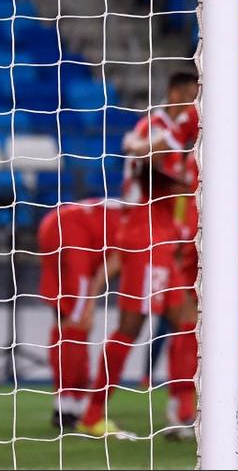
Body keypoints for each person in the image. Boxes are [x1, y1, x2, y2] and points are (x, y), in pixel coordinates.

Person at [76, 71, 199, 439]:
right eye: (189, 96)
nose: (191, 106)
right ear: (174, 91)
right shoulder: (156, 126)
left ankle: (182, 410)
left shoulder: (180, 134)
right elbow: (141, 159)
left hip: (161, 239)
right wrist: (187, 179)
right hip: (144, 236)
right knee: (131, 327)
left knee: (188, 320)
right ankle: (93, 413)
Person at [37, 197, 125, 429]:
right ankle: (69, 407)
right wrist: (90, 302)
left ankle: (67, 405)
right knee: (76, 324)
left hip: (55, 223)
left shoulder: (130, 210)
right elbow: (114, 261)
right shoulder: (146, 223)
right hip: (73, 232)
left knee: (68, 322)